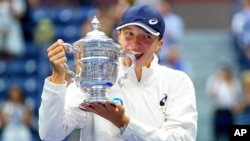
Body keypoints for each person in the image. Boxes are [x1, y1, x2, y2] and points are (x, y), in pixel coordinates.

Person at [38, 5, 197, 141]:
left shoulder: (177, 82)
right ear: (118, 36)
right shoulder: (96, 77)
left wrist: (124, 124)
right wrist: (57, 78)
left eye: (146, 37)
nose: (136, 44)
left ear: (159, 44)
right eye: (129, 34)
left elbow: (181, 138)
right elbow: (51, 134)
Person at [205, 63, 241, 141]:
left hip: (229, 111)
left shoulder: (234, 81)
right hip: (218, 110)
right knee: (217, 134)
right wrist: (219, 82)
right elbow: (212, 94)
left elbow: (236, 95)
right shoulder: (213, 80)